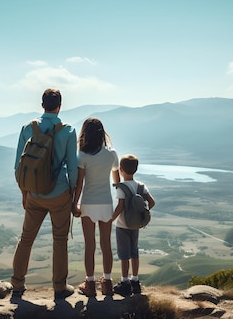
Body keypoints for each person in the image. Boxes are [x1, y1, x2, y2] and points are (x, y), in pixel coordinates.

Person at [10, 88, 78, 300]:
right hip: (59, 194)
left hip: (34, 193)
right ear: (60, 106)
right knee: (60, 240)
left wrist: (25, 194)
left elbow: (18, 167)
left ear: (42, 105)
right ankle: (59, 288)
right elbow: (73, 168)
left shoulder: (27, 128)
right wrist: (73, 196)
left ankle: (18, 284)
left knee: (26, 239)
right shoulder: (67, 131)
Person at [72, 118, 120, 297]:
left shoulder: (82, 156)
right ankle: (107, 283)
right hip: (106, 203)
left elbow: (80, 183)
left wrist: (74, 204)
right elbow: (116, 179)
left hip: (88, 203)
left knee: (89, 245)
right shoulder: (111, 154)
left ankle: (90, 283)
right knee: (106, 244)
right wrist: (119, 194)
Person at [111, 154, 155, 297]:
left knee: (124, 254)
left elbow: (120, 207)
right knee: (134, 252)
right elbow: (152, 202)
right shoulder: (141, 186)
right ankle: (135, 281)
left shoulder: (121, 188)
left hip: (122, 226)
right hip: (136, 225)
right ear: (135, 169)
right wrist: (141, 214)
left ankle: (125, 283)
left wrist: (110, 219)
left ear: (121, 170)